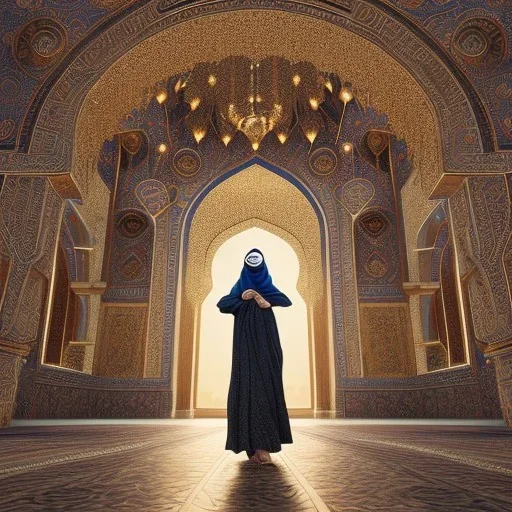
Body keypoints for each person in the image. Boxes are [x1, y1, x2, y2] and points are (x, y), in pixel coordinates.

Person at [217, 248, 293, 465]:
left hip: (267, 346)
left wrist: (263, 299)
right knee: (247, 388)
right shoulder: (238, 290)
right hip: (244, 349)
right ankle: (252, 446)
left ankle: (263, 445)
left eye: (257, 268)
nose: (255, 272)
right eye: (252, 267)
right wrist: (243, 297)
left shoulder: (269, 290)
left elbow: (285, 300)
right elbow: (223, 304)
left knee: (264, 387)